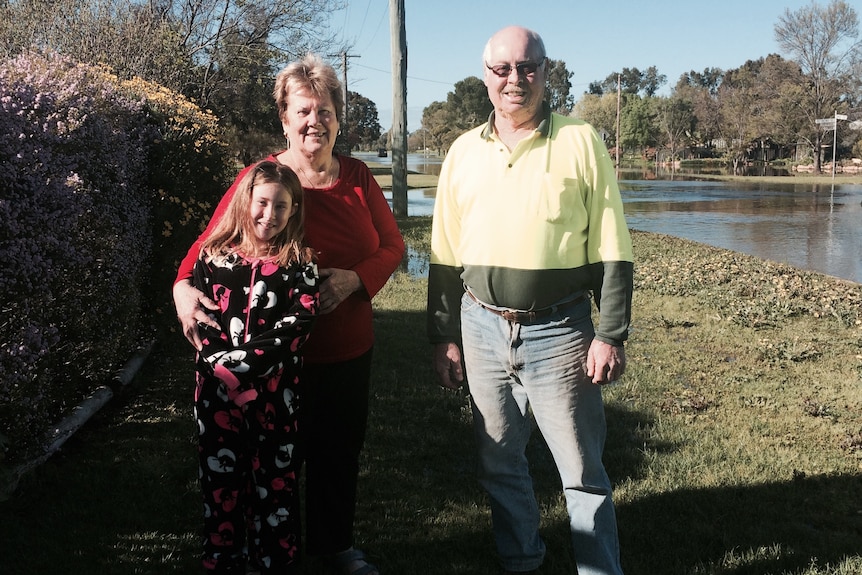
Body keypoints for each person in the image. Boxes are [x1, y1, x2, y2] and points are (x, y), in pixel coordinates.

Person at [174, 54, 404, 575]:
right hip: (270, 364)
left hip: (346, 350)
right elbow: (203, 249)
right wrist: (182, 292)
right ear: (284, 118)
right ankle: (266, 551)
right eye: (303, 111)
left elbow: (392, 248)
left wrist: (354, 279)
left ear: (338, 118)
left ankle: (335, 547)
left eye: (325, 111)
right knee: (269, 461)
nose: (314, 122)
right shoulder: (261, 180)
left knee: (337, 455)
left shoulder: (359, 178)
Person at [426, 26, 633, 575]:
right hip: (481, 327)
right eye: (502, 69)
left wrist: (609, 333)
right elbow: (444, 254)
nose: (515, 79)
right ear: (485, 75)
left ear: (546, 70)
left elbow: (613, 242)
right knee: (498, 462)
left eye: (528, 67)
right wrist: (444, 335)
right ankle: (522, 561)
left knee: (582, 471)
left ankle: (598, 570)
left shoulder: (580, 139)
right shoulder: (462, 152)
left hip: (561, 331)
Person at [193, 160, 318, 574]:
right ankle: (223, 559)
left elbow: (295, 327)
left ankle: (274, 561)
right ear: (245, 200)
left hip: (275, 400)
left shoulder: (301, 264)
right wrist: (221, 368)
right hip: (216, 398)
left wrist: (242, 368)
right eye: (262, 203)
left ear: (294, 210)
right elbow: (201, 324)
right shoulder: (212, 259)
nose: (269, 215)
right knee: (220, 484)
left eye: (281, 207)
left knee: (275, 486)